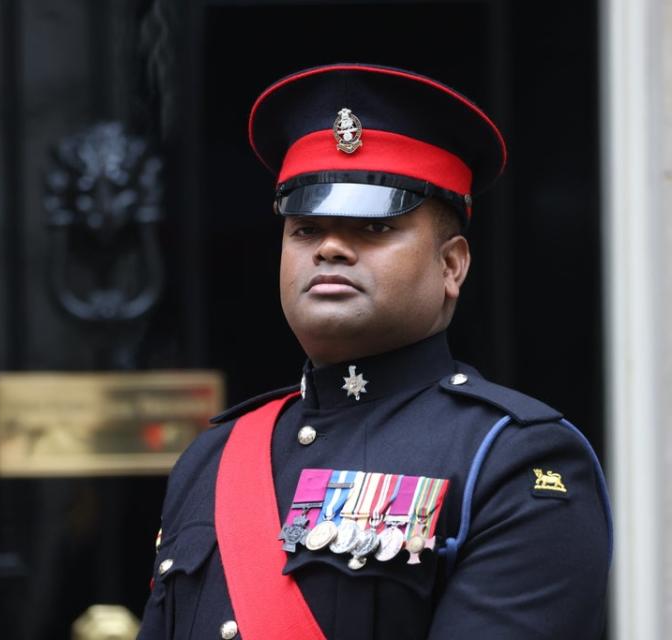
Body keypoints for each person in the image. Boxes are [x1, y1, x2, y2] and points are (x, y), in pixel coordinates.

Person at [137, 64, 611, 640]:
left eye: (373, 227)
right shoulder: (212, 457)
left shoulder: (514, 459)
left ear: (451, 265)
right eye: (306, 229)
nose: (331, 246)